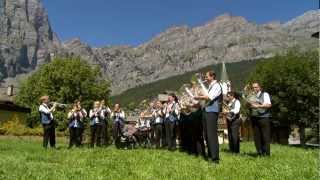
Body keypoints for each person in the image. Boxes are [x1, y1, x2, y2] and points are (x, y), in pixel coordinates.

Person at [195, 71, 222, 164]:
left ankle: (215, 158)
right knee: (206, 135)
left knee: (212, 135)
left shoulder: (217, 86)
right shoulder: (210, 87)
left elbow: (210, 97)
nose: (205, 78)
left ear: (212, 76)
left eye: (206, 76)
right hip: (206, 111)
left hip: (212, 112)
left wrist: (198, 97)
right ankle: (210, 155)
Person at [249, 82, 272, 156]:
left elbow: (268, 105)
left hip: (264, 118)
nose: (254, 89)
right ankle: (259, 152)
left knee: (265, 136)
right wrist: (248, 104)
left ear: (259, 88)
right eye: (253, 87)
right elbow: (248, 105)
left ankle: (267, 153)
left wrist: (258, 106)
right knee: (257, 137)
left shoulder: (265, 94)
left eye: (256, 87)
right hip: (254, 117)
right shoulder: (251, 96)